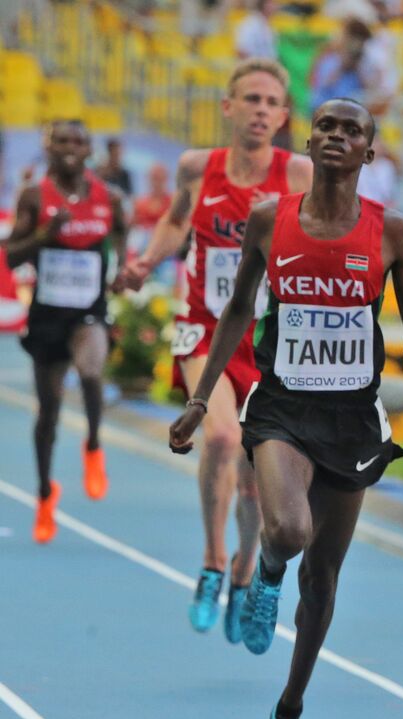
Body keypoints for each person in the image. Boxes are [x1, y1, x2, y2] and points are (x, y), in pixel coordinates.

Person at [168, 97, 403, 719]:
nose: (336, 137)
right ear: (312, 139)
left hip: (353, 418)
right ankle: (265, 570)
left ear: (370, 150)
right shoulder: (272, 220)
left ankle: (288, 718)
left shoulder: (393, 233)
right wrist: (202, 397)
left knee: (324, 580)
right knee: (290, 530)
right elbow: (238, 307)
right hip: (284, 408)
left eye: (350, 130)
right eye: (326, 126)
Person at [116, 60, 312, 642]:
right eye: (248, 98)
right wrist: (148, 261)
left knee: (256, 478)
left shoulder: (297, 173)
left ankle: (246, 570)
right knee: (223, 436)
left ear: (281, 116)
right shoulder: (197, 168)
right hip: (204, 326)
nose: (258, 109)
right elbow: (177, 223)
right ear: (227, 107)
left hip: (270, 339)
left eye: (269, 101)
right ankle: (209, 561)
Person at [6, 118, 127, 543]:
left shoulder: (108, 197)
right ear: (49, 146)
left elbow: (122, 234)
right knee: (49, 414)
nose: (70, 147)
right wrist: (43, 235)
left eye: (78, 140)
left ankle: (93, 445)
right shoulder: (35, 196)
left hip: (87, 311)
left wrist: (122, 268)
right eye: (61, 140)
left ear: (89, 147)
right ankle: (44, 495)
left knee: (92, 370)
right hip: (46, 316)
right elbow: (9, 257)